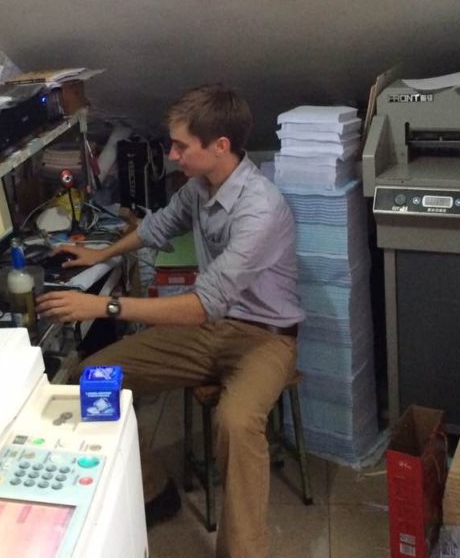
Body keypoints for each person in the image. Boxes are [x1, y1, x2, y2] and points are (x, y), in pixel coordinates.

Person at [37, 83, 303, 558]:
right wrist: (98, 252)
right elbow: (155, 228)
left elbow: (203, 303)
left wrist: (106, 306)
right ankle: (153, 491)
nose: (173, 155)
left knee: (236, 423)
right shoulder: (201, 188)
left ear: (220, 146)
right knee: (91, 378)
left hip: (265, 338)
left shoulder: (259, 208)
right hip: (210, 330)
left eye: (182, 146)